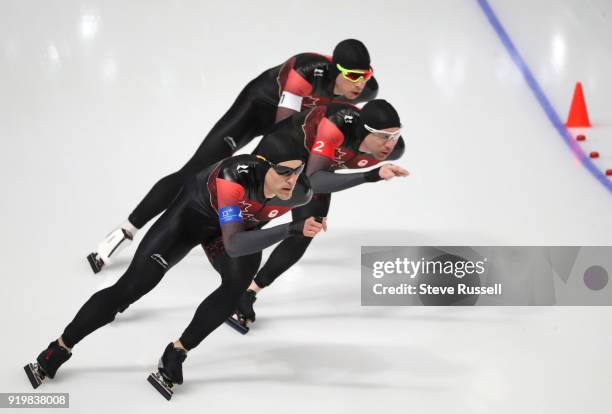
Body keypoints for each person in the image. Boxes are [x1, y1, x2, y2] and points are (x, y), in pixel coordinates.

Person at [24, 141, 325, 398]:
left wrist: (369, 176)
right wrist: (290, 229)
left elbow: (325, 181)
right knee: (132, 288)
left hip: (230, 232)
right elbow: (233, 245)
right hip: (190, 221)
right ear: (262, 165)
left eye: (297, 171)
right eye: (284, 171)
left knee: (236, 286)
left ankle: (176, 352)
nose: (291, 180)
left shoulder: (299, 190)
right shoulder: (234, 177)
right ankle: (60, 347)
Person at [88, 39, 378, 273]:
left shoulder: (365, 92)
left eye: (366, 76)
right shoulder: (305, 70)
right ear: (333, 67)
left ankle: (228, 251)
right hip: (260, 108)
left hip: (292, 129)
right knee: (195, 171)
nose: (359, 84)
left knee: (261, 192)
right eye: (352, 76)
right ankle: (125, 231)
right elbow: (280, 127)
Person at [229, 99, 409, 329]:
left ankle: (248, 293)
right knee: (249, 223)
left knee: (306, 230)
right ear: (365, 130)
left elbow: (315, 179)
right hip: (284, 148)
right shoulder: (334, 126)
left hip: (319, 166)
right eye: (384, 136)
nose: (390, 144)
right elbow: (314, 179)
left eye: (395, 136)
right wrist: (370, 176)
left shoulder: (394, 149)